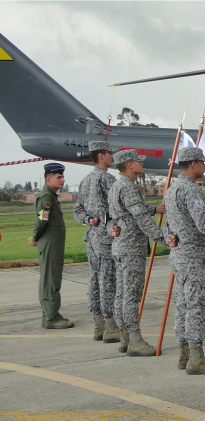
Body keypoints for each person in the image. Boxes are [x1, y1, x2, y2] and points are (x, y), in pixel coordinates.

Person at [164, 146, 205, 375]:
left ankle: (184, 353)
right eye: (202, 163)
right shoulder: (190, 190)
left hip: (179, 256)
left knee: (183, 304)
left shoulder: (172, 189)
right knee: (198, 305)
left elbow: (170, 226)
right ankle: (196, 357)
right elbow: (203, 224)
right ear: (193, 164)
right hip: (193, 257)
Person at [108, 149, 174, 356]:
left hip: (120, 246)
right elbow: (140, 218)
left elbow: (120, 215)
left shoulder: (116, 186)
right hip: (131, 247)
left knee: (121, 294)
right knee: (131, 295)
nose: (141, 164)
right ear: (129, 164)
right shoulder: (128, 187)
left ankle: (125, 338)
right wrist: (163, 238)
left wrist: (155, 209)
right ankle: (135, 340)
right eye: (138, 161)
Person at [74, 141, 120, 343]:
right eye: (110, 153)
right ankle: (111, 326)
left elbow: (78, 210)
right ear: (101, 155)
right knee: (108, 281)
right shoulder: (107, 179)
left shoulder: (85, 181)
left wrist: (88, 220)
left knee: (94, 281)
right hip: (107, 238)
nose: (112, 156)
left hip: (92, 238)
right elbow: (121, 205)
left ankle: (98, 324)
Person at [29, 162, 74, 329]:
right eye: (59, 177)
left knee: (50, 279)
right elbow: (42, 220)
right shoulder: (47, 197)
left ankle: (49, 314)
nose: (62, 180)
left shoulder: (50, 195)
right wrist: (35, 237)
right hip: (50, 244)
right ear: (48, 179)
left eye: (62, 176)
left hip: (51, 243)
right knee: (51, 280)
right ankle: (52, 317)